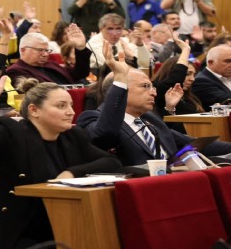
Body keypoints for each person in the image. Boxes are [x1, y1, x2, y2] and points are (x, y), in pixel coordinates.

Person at [0, 62, 121, 248]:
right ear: (34, 110)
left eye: (71, 105)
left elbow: (111, 162)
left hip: (56, 221)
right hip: (14, 229)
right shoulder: (11, 131)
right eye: (61, 106)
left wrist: (71, 173)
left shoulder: (72, 136)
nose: (71, 112)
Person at [77, 42, 231, 166]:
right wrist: (120, 80)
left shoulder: (151, 119)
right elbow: (105, 134)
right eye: (145, 86)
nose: (154, 93)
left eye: (152, 87)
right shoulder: (91, 118)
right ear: (120, 90)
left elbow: (191, 143)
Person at [6, 24, 91, 87]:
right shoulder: (16, 70)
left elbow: (80, 73)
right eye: (40, 50)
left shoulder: (51, 64)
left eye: (47, 50)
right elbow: (38, 91)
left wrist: (80, 48)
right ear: (23, 50)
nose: (45, 54)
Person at [151, 41, 203, 134]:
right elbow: (176, 78)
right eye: (187, 74)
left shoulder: (188, 95)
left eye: (194, 74)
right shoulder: (159, 89)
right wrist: (186, 50)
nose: (192, 79)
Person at [191, 45, 231, 110]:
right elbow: (227, 101)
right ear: (211, 63)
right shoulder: (201, 81)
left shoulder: (227, 76)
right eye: (228, 61)